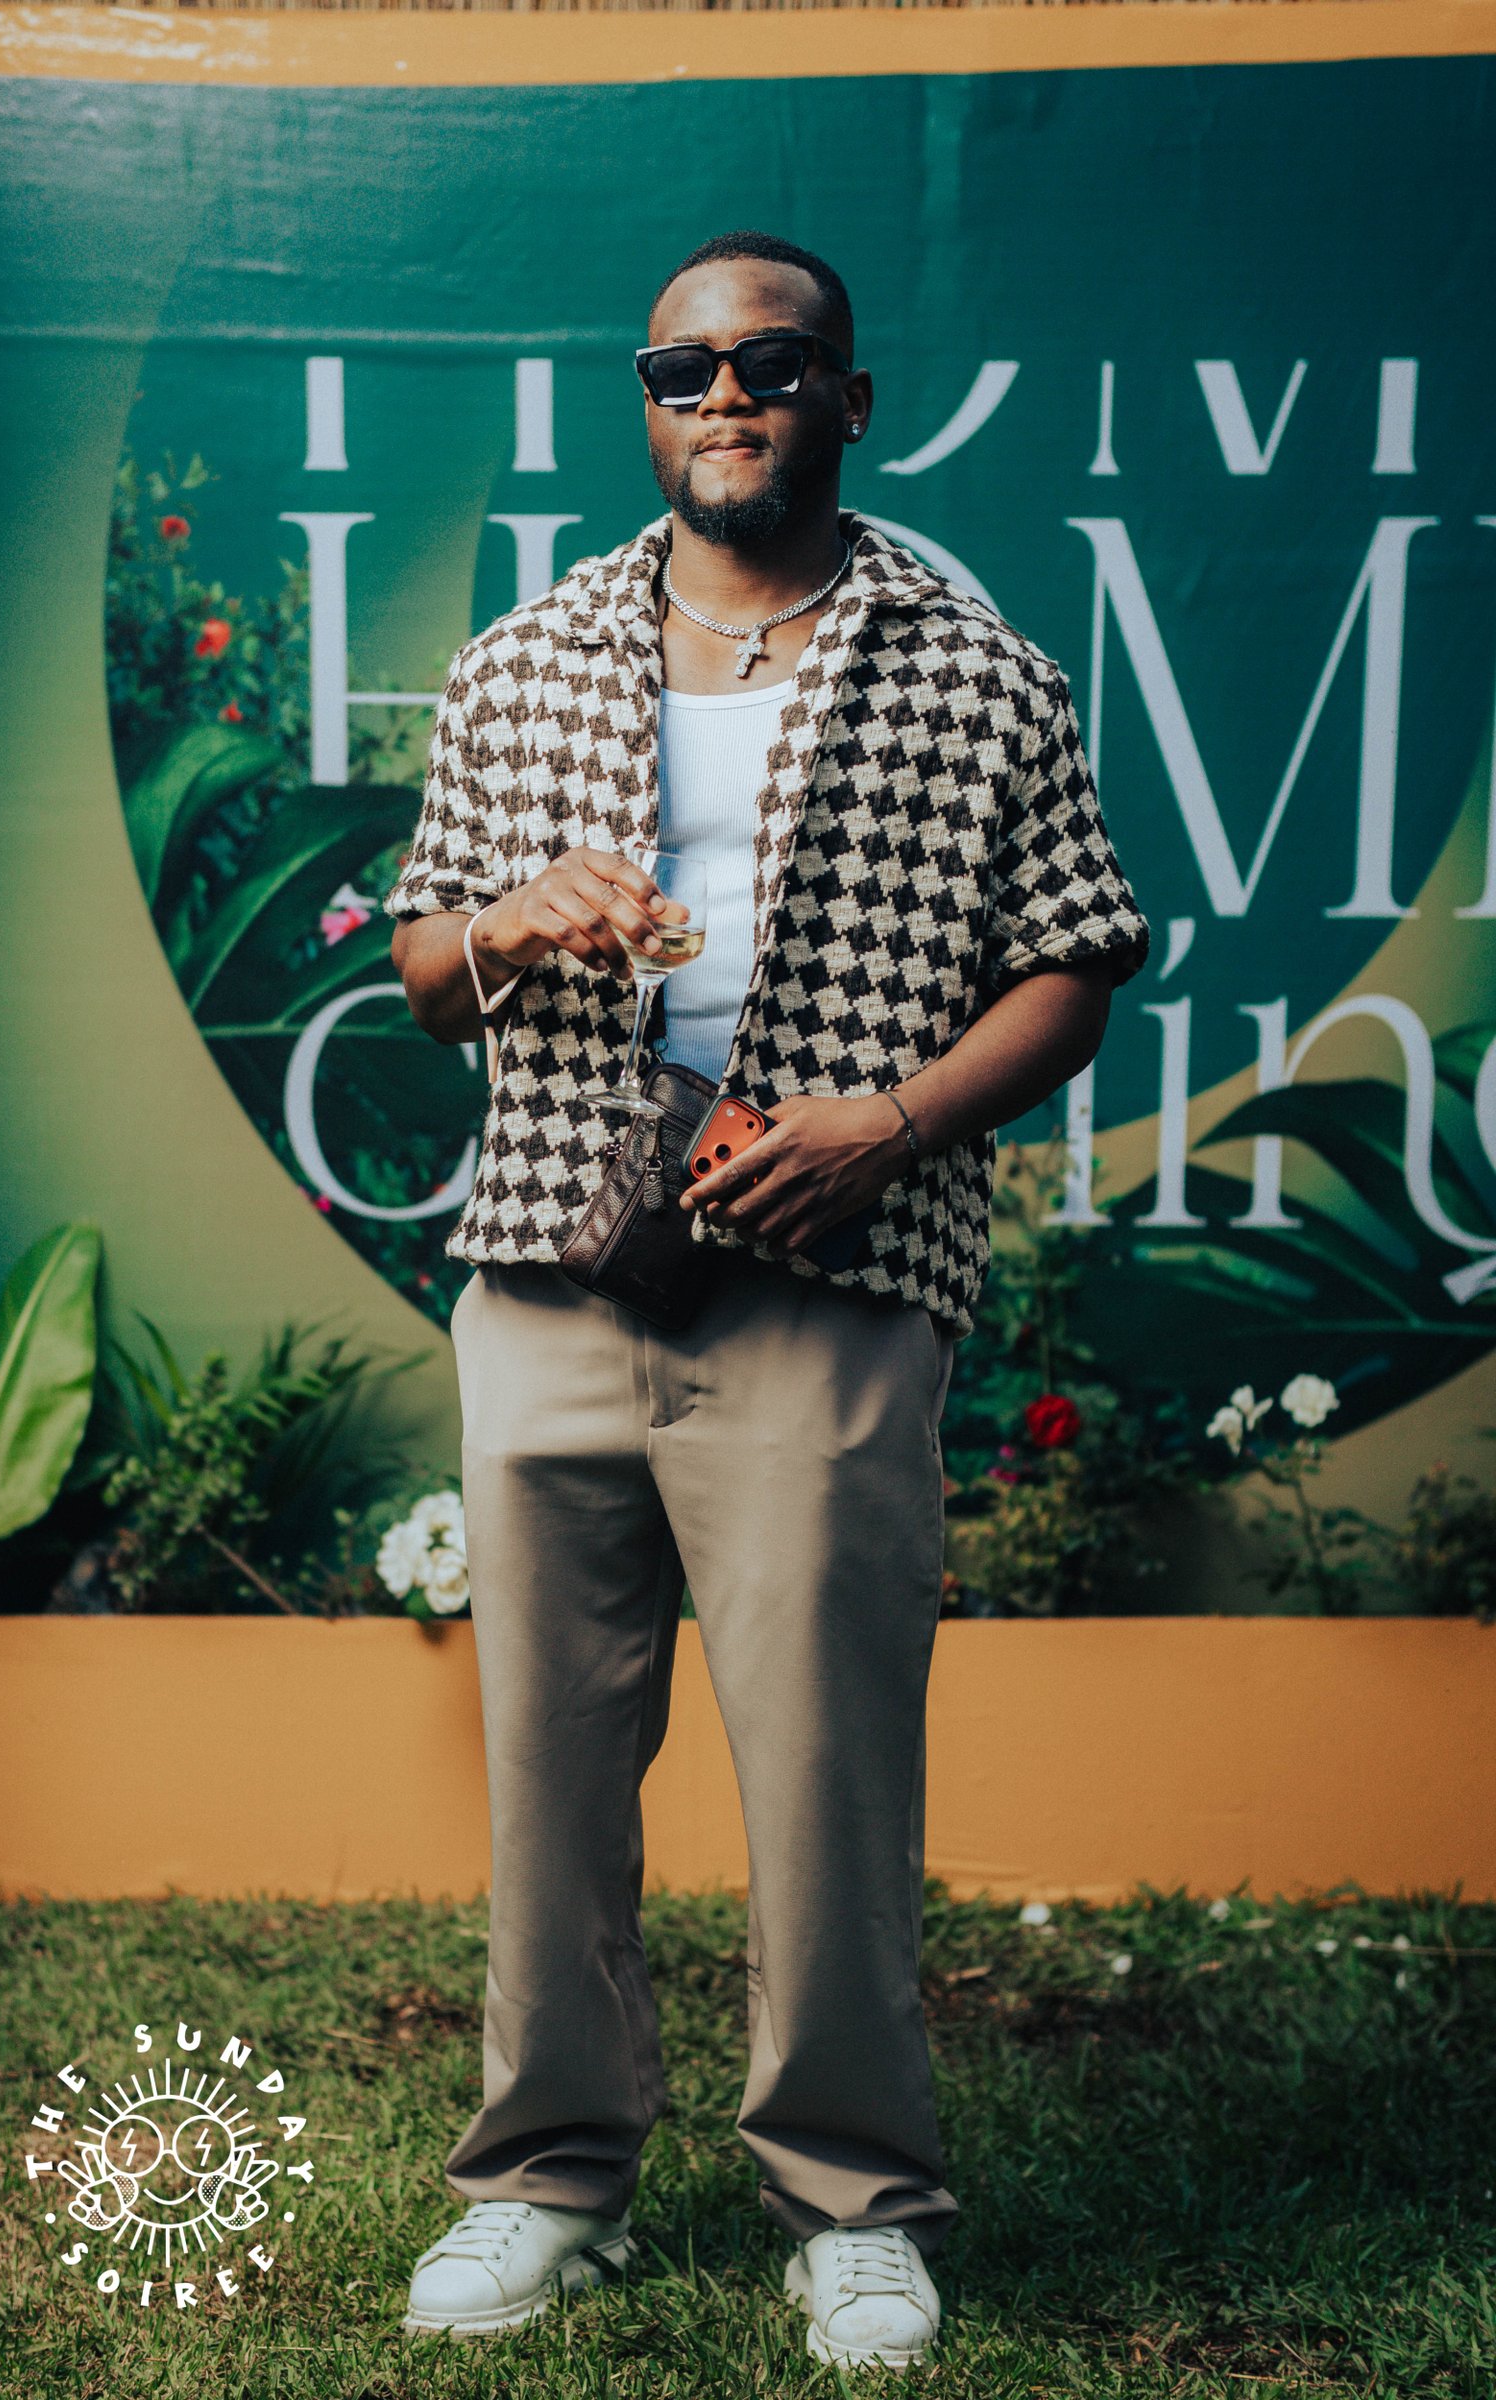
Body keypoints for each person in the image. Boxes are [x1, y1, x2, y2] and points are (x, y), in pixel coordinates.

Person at [385, 229, 1149, 2373]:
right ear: (647, 404)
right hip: (552, 1265)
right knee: (545, 1764)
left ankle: (853, 2205)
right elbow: (423, 970)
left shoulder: (979, 675)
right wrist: (510, 919)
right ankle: (548, 2185)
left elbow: (1077, 962)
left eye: (773, 362)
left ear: (847, 399)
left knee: (827, 1776)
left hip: (833, 1274)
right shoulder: (521, 662)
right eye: (684, 368)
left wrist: (886, 1125)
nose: (725, 394)